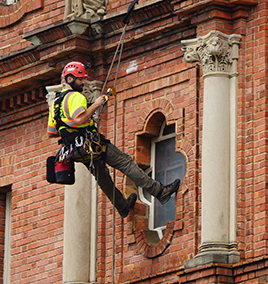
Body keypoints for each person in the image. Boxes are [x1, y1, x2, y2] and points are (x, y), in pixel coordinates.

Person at [48, 61, 180, 218]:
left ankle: (122, 206)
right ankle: (159, 191)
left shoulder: (55, 103)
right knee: (125, 162)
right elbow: (79, 119)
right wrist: (96, 105)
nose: (83, 83)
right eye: (80, 79)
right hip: (90, 145)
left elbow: (52, 132)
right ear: (69, 79)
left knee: (102, 176)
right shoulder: (76, 97)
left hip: (73, 151)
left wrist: (73, 129)